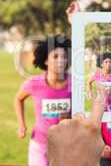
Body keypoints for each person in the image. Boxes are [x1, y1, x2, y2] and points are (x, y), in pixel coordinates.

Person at [15, 35, 71, 166]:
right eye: (55, 57)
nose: (61, 61)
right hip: (40, 144)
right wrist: (22, 125)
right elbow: (18, 99)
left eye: (64, 57)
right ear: (45, 60)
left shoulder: (74, 83)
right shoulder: (34, 83)